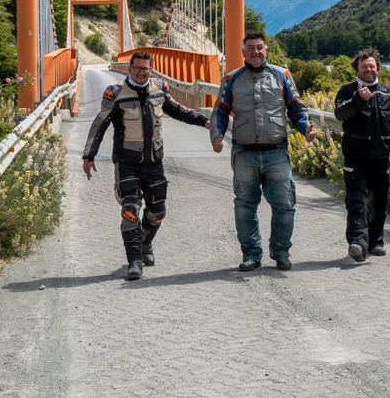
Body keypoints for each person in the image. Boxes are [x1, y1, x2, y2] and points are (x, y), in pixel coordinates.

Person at [83, 51, 210, 280]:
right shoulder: (116, 92)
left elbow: (178, 111)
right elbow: (100, 123)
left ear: (151, 70)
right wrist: (88, 155)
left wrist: (204, 121)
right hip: (126, 161)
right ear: (129, 69)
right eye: (137, 68)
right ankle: (134, 261)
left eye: (145, 69)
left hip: (154, 161)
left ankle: (145, 243)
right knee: (131, 209)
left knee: (158, 211)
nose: (141, 72)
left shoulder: (160, 88)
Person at [211, 31, 315, 272]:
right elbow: (220, 111)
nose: (255, 51)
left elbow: (296, 108)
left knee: (285, 204)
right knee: (245, 205)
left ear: (266, 50)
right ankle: (251, 254)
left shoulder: (282, 75)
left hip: (276, 151)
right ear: (243, 51)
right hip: (244, 152)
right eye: (251, 47)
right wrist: (216, 136)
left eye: (260, 47)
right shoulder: (231, 79)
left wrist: (306, 128)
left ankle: (280, 252)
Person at [334, 47, 390, 262]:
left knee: (378, 203)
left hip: (380, 158)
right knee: (356, 202)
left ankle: (376, 242)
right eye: (364, 67)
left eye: (372, 66)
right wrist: (358, 100)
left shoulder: (389, 94)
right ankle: (357, 244)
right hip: (355, 158)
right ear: (357, 69)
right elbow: (340, 114)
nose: (368, 69)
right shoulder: (346, 91)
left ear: (377, 68)